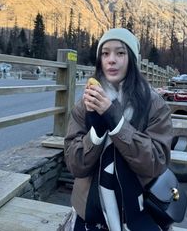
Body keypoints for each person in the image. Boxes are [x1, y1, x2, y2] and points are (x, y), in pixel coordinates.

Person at [64, 28, 173, 231]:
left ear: (132, 59)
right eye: (105, 53)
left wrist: (116, 123)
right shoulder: (85, 104)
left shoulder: (154, 104)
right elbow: (75, 165)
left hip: (139, 212)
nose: (111, 60)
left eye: (120, 53)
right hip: (89, 211)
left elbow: (156, 162)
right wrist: (96, 133)